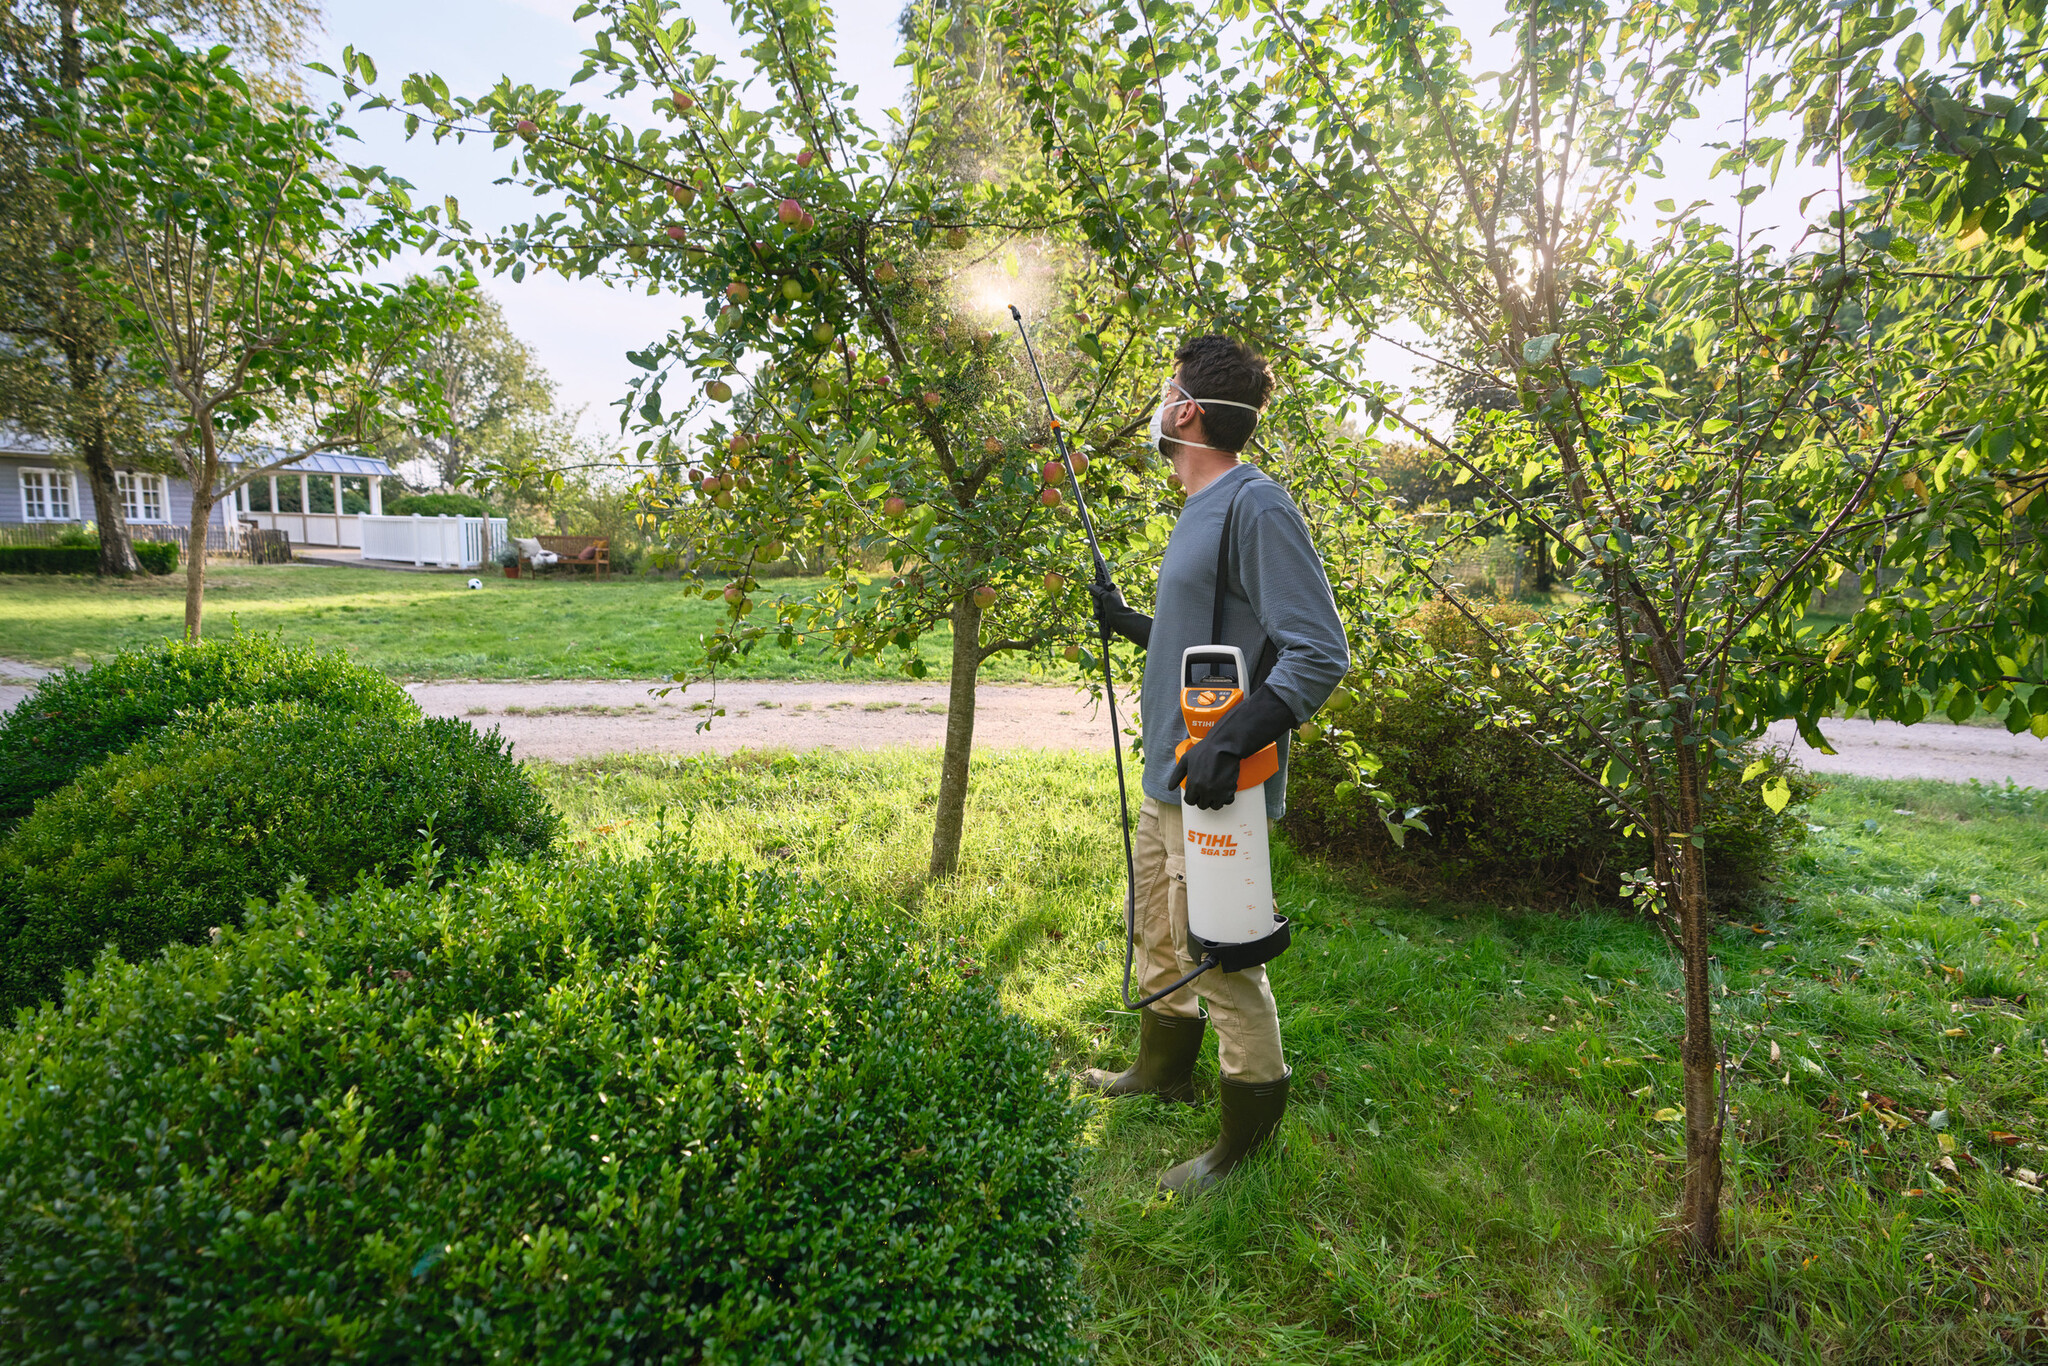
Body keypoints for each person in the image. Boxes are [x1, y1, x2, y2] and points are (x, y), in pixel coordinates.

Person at [1083, 334, 1350, 1195]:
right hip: (1169, 777)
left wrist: (1231, 742)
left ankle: (1243, 1148)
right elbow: (1212, 642)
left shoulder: (1256, 506)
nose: (1159, 406)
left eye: (1167, 393)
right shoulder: (1197, 507)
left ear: (1188, 411)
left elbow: (1318, 652)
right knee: (1157, 931)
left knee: (1225, 959)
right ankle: (1160, 1071)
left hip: (1216, 786)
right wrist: (1134, 624)